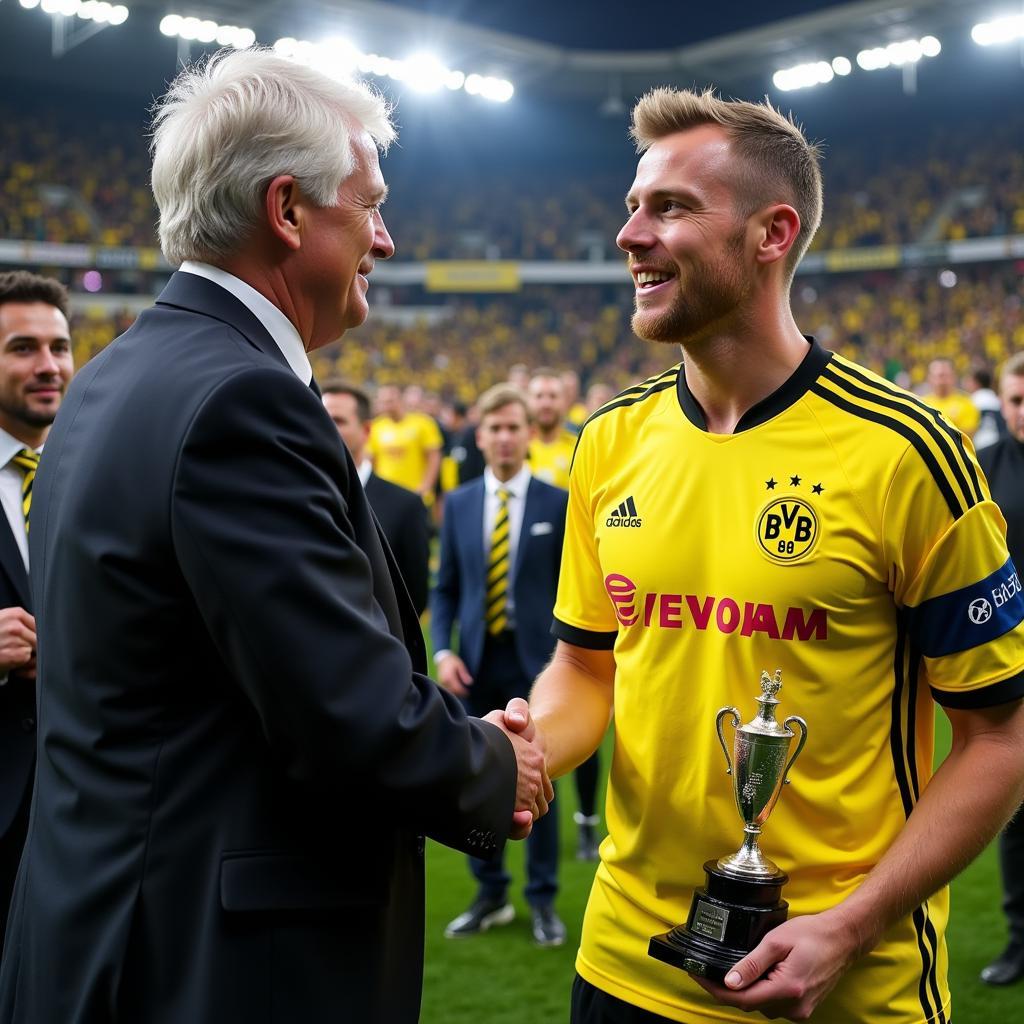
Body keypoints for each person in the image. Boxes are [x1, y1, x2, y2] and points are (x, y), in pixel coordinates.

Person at [0, 50, 550, 1024]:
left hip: (107, 927)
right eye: (370, 203)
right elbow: (343, 710)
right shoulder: (243, 398)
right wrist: (495, 763)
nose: (384, 238)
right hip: (211, 965)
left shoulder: (117, 377)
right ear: (288, 211)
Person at [515, 87, 1024, 1024]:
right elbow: (587, 670)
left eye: (668, 207)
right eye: (632, 206)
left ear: (771, 233)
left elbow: (1001, 738)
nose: (630, 235)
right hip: (626, 962)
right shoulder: (609, 443)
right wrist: (530, 748)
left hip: (836, 985)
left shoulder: (908, 454)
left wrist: (853, 924)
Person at [432, 383, 568, 947]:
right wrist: (442, 650)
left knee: (540, 778)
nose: (506, 437)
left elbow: (572, 592)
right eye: (495, 428)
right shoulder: (460, 503)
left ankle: (542, 900)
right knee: (476, 779)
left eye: (515, 427)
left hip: (537, 665)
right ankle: (489, 892)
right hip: (476, 662)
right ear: (481, 437)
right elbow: (445, 589)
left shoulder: (556, 502)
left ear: (528, 435)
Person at [0, 271, 73, 955]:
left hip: (86, 809)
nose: (48, 366)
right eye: (23, 348)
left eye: (59, 347)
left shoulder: (93, 467)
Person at [525, 368, 604, 858]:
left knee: (586, 700)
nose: (547, 400)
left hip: (574, 593)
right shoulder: (516, 448)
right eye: (540, 392)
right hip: (529, 601)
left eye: (553, 391)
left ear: (564, 397)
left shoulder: (581, 447)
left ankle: (587, 818)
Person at [977, 351, 1024, 986]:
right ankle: (1020, 943)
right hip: (1015, 666)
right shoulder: (983, 472)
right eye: (1016, 400)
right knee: (1017, 817)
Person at [322, 380, 430, 616]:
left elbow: (415, 595)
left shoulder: (406, 505)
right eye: (320, 418)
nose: (326, 428)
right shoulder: (296, 493)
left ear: (366, 430)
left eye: (338, 421)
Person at [368, 382, 443, 506]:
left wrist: (425, 486)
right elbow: (372, 460)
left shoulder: (423, 423)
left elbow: (434, 458)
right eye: (383, 401)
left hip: (415, 494)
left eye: (390, 400)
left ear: (401, 399)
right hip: (386, 496)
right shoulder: (376, 427)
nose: (387, 405)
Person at [527, 367, 577, 490]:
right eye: (539, 396)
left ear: (565, 401)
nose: (546, 404)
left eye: (553, 396)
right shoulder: (516, 447)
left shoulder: (579, 448)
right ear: (528, 401)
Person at [923, 357, 980, 437]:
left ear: (954, 377)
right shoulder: (922, 403)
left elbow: (967, 435)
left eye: (945, 375)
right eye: (939, 376)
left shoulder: (966, 403)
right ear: (929, 378)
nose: (942, 381)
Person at [965, 363, 1005, 451]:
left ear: (976, 382)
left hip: (979, 446)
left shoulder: (971, 401)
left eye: (969, 381)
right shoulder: (997, 400)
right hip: (999, 443)